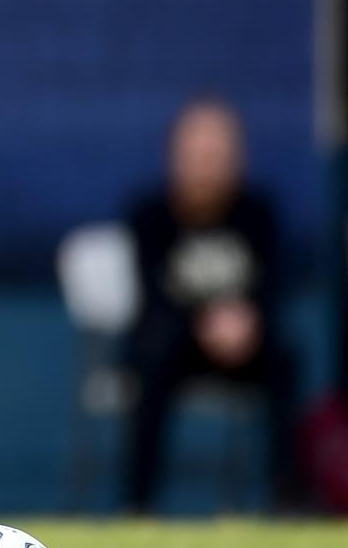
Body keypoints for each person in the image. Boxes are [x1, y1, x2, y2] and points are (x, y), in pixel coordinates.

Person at [120, 98, 298, 513]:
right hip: (177, 342)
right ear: (176, 157)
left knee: (286, 359)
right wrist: (204, 323)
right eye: (198, 154)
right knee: (151, 355)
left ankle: (287, 496)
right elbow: (152, 296)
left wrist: (246, 321)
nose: (207, 166)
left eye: (218, 155)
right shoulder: (149, 215)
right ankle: (138, 503)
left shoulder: (258, 213)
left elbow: (273, 286)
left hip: (244, 342)